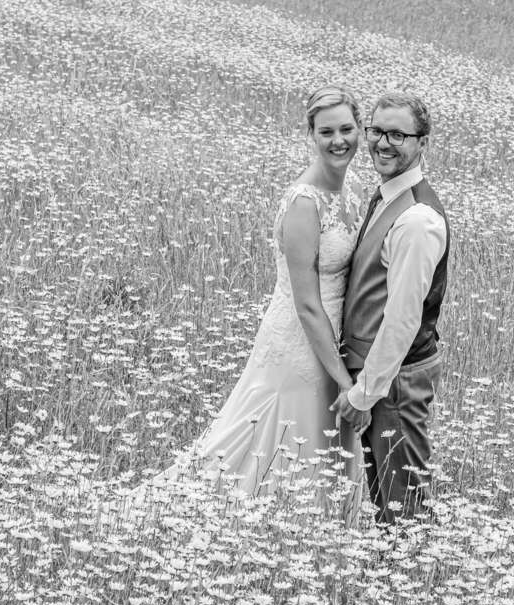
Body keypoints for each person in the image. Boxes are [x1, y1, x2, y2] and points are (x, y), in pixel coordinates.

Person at [146, 85, 365, 510]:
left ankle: (318, 529)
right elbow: (306, 304)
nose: (339, 141)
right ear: (311, 135)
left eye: (347, 129)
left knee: (327, 442)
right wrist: (347, 383)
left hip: (337, 335)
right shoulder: (305, 203)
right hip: (298, 344)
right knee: (281, 438)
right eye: (326, 132)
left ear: (359, 129)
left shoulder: (352, 189)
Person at [331, 91, 449, 525]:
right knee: (382, 494)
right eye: (377, 131)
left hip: (396, 381)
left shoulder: (418, 220)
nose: (383, 142)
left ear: (422, 143)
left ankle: (413, 586)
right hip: (381, 377)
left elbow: (402, 319)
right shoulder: (387, 196)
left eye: (398, 134)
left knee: (402, 506)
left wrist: (366, 393)